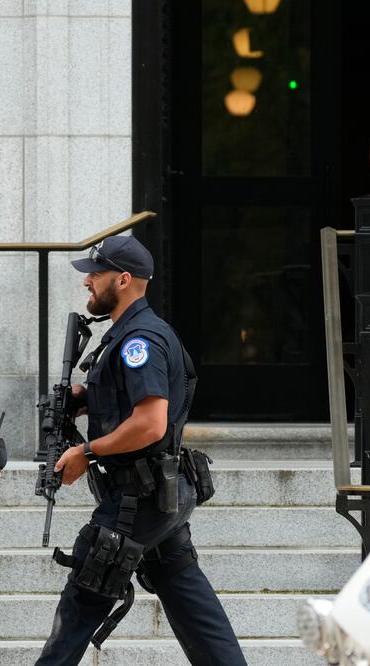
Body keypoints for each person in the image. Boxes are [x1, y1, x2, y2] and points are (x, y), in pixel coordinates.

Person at [35, 235, 246, 666]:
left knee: (81, 601)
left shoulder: (139, 342)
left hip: (139, 497)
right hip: (154, 493)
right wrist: (85, 399)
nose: (87, 283)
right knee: (191, 602)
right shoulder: (129, 335)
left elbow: (151, 424)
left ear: (124, 279)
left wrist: (87, 452)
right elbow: (131, 404)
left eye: (95, 275)